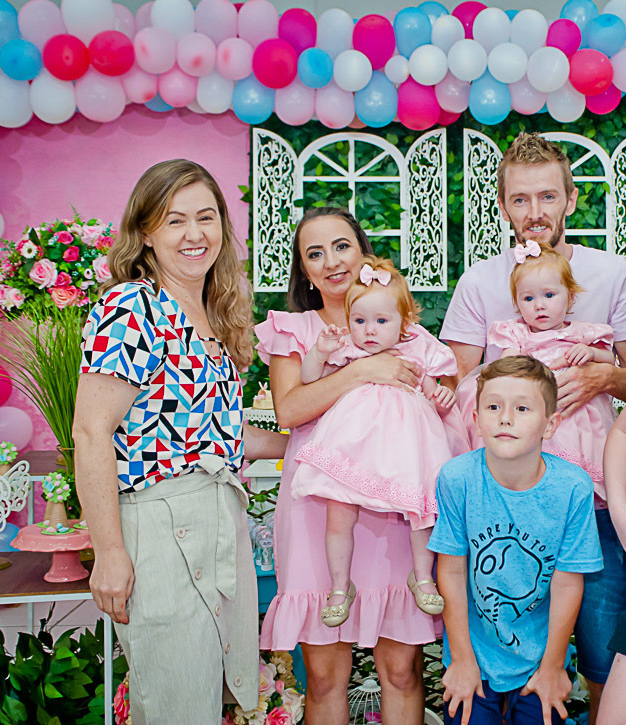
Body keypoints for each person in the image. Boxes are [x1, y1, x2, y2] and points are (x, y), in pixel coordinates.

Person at [74, 159, 288, 723]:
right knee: (175, 703)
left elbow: (221, 434)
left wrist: (311, 445)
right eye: (175, 220)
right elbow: (91, 431)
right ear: (146, 232)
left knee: (207, 699)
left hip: (218, 515)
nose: (195, 234)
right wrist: (109, 552)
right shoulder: (132, 307)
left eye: (206, 217)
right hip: (159, 527)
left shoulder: (211, 314)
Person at [440, 132, 626, 720]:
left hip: (591, 495)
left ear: (571, 199)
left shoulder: (612, 274)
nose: (535, 212)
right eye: (520, 199)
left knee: (603, 653)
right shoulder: (480, 282)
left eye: (548, 196)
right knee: (504, 633)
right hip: (503, 500)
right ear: (504, 206)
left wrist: (604, 377)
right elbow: (456, 384)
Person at [256, 207, 433, 725]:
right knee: (325, 676)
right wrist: (365, 371)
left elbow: (435, 402)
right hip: (317, 506)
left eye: (341, 246)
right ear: (305, 272)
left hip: (392, 510)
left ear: (362, 253)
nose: (331, 262)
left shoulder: (400, 328)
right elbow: (289, 410)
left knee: (402, 671)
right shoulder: (294, 331)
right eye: (315, 254)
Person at [429, 355, 603, 725]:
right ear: (476, 419)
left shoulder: (572, 488)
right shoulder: (457, 479)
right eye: (493, 407)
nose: (505, 418)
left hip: (541, 659)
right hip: (473, 656)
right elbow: (452, 572)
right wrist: (462, 661)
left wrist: (553, 667)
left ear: (550, 424)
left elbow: (567, 582)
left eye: (522, 408)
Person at [290, 256, 457, 627]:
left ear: (404, 322)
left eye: (381, 321)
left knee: (420, 509)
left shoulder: (417, 349)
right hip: (353, 443)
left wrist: (442, 397)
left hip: (409, 447)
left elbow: (432, 392)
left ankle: (422, 575)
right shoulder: (349, 349)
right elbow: (309, 378)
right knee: (339, 510)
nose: (369, 331)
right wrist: (319, 351)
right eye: (360, 320)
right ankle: (339, 585)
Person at [481, 242, 616, 496]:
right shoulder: (517, 335)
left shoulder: (582, 333)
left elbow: (610, 360)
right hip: (537, 418)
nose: (539, 305)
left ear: (570, 297)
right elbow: (505, 369)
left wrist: (591, 353)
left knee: (579, 477)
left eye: (549, 295)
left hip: (579, 416)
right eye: (528, 298)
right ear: (517, 304)